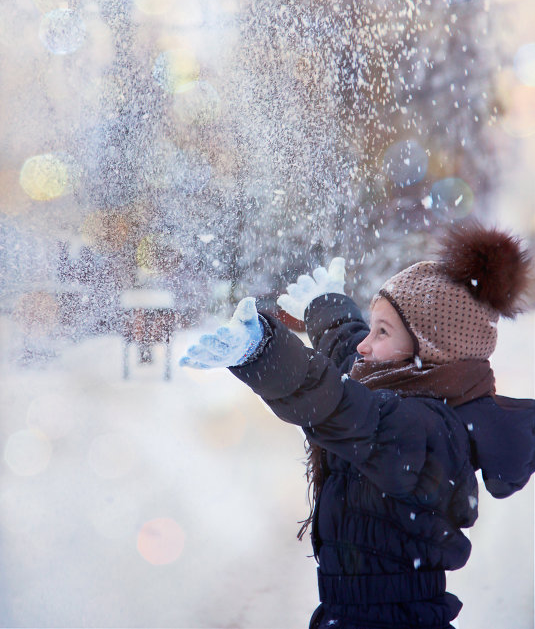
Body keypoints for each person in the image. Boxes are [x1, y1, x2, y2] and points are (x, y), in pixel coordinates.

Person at [180, 221, 535, 629]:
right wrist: (327, 305)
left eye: (382, 331)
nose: (366, 343)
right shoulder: (402, 385)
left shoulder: (427, 430)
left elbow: (340, 405)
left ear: (427, 353)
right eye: (372, 324)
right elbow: (352, 355)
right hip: (352, 612)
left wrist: (265, 352)